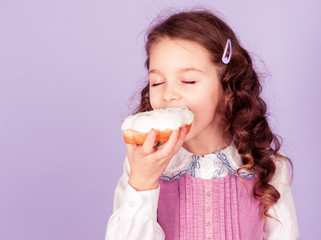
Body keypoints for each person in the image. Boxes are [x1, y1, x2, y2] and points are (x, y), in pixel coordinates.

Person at [105, 9, 299, 240]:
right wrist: (142, 182)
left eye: (188, 80)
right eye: (157, 82)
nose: (168, 94)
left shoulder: (267, 168)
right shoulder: (141, 167)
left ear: (227, 86)